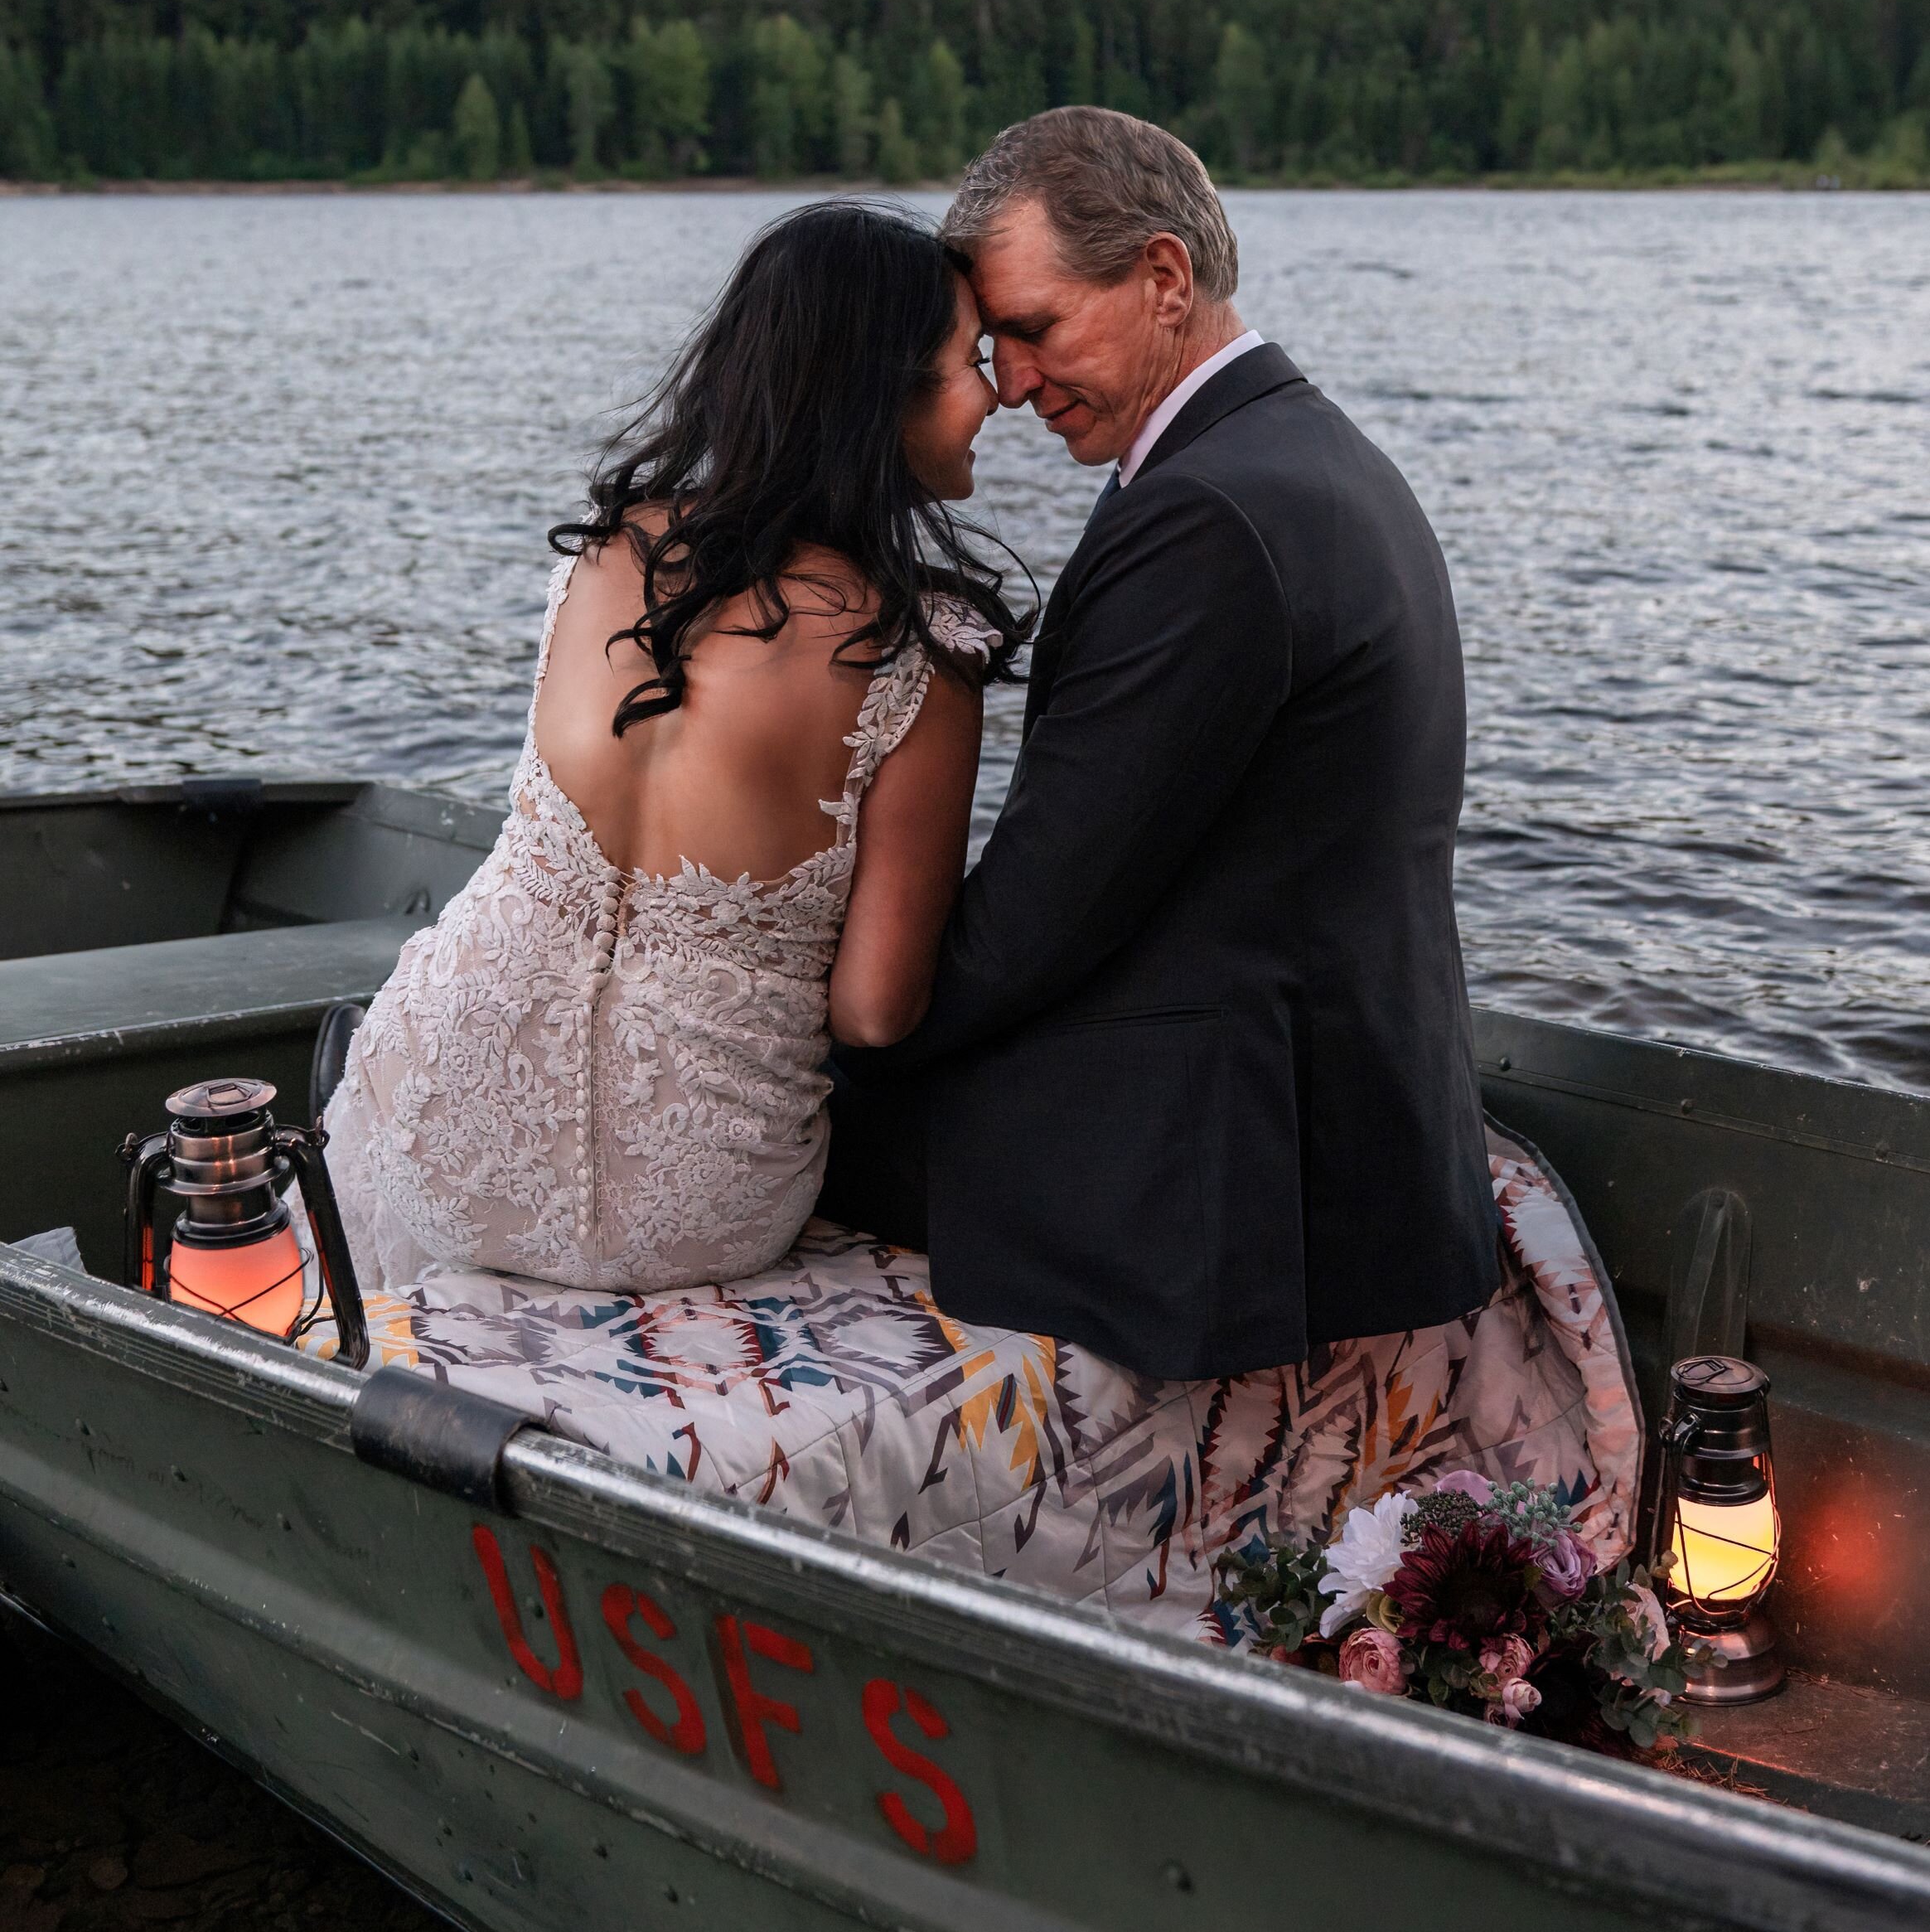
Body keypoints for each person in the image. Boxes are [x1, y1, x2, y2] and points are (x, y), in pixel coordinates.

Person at [827, 106, 1498, 1381]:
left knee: (770, 1106)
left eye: (1032, 330)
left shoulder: (1208, 516)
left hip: (1239, 1172)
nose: (1010, 384)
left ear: (1163, 277)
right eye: (992, 346)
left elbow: (1039, 914)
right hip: (1318, 1096)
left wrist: (840, 1034)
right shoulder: (1294, 454)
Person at [322, 203, 1020, 1293]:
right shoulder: (918, 655)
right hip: (690, 1201)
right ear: (877, 392)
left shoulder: (603, 556)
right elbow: (874, 1009)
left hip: (432, 1121)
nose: (1000, 392)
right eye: (966, 361)